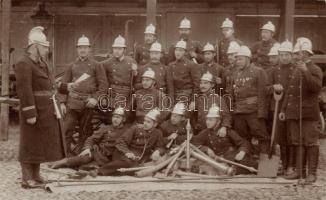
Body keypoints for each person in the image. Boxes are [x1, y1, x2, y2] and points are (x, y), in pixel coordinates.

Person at [14, 26, 64, 188]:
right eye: (44, 47)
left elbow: (50, 85)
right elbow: (24, 89)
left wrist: (58, 100)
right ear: (34, 46)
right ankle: (27, 178)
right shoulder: (23, 62)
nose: (46, 50)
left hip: (46, 110)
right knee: (29, 142)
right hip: (34, 109)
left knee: (39, 143)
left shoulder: (43, 63)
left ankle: (36, 175)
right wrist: (30, 112)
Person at [281, 38, 322, 183]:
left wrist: (306, 71)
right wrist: (284, 109)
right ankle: (299, 171)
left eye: (300, 53)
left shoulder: (314, 69)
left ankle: (311, 173)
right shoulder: (294, 70)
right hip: (294, 113)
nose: (297, 56)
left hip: (308, 113)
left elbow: (316, 88)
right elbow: (289, 92)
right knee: (297, 142)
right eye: (296, 54)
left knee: (310, 142)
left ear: (307, 54)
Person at [58, 35, 108, 154]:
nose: (83, 50)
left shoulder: (97, 65)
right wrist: (62, 102)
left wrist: (95, 99)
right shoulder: (71, 66)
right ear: (77, 49)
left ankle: (80, 157)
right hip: (72, 103)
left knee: (85, 131)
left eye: (85, 47)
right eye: (80, 47)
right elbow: (64, 86)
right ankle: (64, 155)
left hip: (88, 103)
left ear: (89, 49)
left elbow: (103, 86)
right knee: (67, 129)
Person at [82, 108, 165, 176]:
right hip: (122, 154)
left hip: (138, 159)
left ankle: (91, 168)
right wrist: (127, 153)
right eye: (145, 121)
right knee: (127, 163)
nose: (145, 123)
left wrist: (157, 151)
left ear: (155, 124)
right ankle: (98, 171)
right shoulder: (135, 128)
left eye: (148, 122)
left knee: (131, 170)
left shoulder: (157, 133)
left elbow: (161, 146)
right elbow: (120, 142)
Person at [48, 107, 129, 170]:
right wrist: (87, 148)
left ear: (123, 119)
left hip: (106, 158)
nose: (115, 119)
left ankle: (68, 164)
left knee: (84, 168)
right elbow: (91, 139)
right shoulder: (106, 128)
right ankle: (61, 162)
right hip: (96, 152)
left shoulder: (127, 131)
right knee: (84, 158)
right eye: (114, 117)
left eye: (118, 117)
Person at [192, 104, 256, 175]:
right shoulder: (205, 132)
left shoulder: (227, 131)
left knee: (247, 166)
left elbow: (243, 143)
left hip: (232, 157)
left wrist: (242, 152)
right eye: (207, 119)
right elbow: (194, 143)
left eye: (211, 120)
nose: (207, 122)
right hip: (218, 160)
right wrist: (206, 149)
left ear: (218, 121)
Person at [231, 45, 270, 154]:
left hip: (254, 111)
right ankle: (248, 158)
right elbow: (233, 93)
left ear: (248, 59)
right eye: (236, 59)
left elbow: (263, 93)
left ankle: (264, 159)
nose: (237, 62)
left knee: (261, 135)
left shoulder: (259, 71)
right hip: (239, 111)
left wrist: (262, 113)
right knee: (242, 136)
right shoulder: (235, 73)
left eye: (240, 59)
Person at [266, 41, 295, 175]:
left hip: (291, 108)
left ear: (291, 55)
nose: (284, 57)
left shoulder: (295, 70)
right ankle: (283, 164)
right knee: (280, 138)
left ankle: (291, 165)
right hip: (276, 108)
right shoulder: (273, 71)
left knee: (291, 137)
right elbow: (265, 88)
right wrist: (273, 88)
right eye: (281, 55)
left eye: (286, 55)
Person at [101, 35, 138, 120]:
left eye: (119, 49)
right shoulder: (107, 63)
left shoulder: (131, 62)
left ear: (124, 50)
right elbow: (102, 79)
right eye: (115, 49)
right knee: (111, 117)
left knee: (125, 116)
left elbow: (135, 81)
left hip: (126, 94)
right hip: (112, 93)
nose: (117, 51)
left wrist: (135, 72)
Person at [169, 40, 196, 104]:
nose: (177, 52)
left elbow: (196, 84)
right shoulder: (171, 65)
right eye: (176, 50)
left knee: (177, 112)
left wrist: (193, 100)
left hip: (186, 94)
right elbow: (170, 84)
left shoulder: (191, 65)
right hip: (173, 94)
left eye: (180, 50)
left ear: (185, 52)